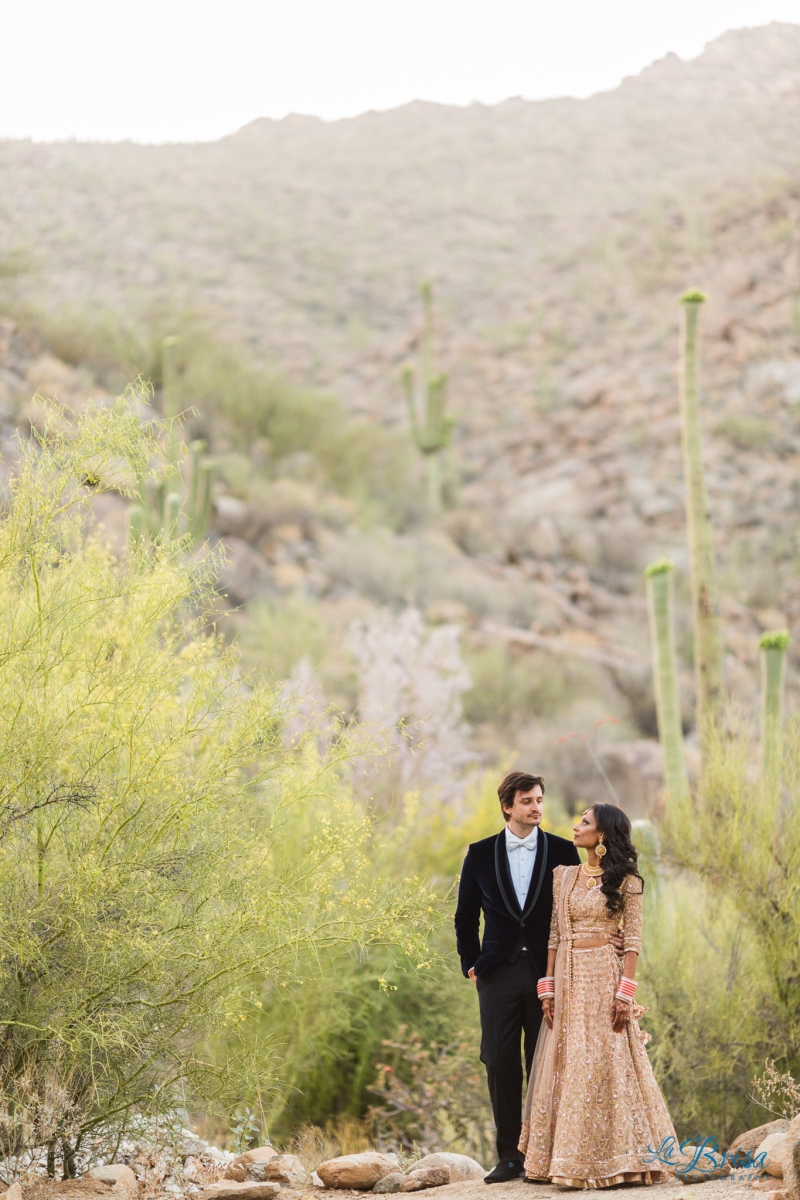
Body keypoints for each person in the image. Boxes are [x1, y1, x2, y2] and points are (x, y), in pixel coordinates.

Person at [519, 803, 677, 1188]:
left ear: (602, 834)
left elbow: (634, 939)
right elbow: (555, 936)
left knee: (606, 1060)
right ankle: (566, 1162)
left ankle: (622, 1161)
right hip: (568, 976)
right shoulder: (564, 877)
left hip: (606, 978)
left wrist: (624, 993)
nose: (576, 827)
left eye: (584, 823)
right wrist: (548, 989)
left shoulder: (628, 881)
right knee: (571, 1061)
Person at [454, 771, 583, 1184]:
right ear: (508, 806)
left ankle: (542, 1156)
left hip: (547, 973)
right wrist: (471, 962)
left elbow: (574, 912)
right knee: (498, 1060)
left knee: (545, 1063)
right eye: (527, 800)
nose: (536, 807)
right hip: (497, 973)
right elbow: (464, 917)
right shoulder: (479, 853)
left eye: (540, 800)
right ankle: (509, 1156)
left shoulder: (564, 851)